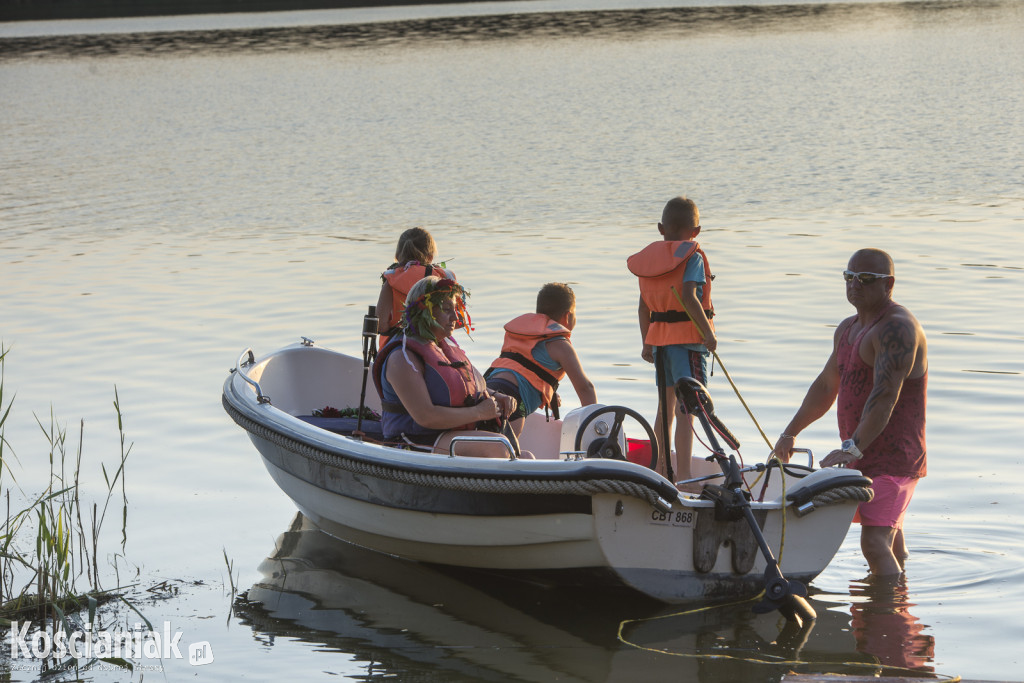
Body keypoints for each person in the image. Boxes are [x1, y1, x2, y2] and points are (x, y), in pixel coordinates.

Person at [773, 248, 928, 576]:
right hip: (861, 452)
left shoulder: (897, 329)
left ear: (889, 284)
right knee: (889, 539)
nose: (855, 284)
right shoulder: (847, 328)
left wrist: (851, 448)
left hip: (894, 457)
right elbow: (826, 386)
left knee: (874, 543)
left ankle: (886, 614)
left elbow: (885, 396)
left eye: (866, 279)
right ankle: (900, 610)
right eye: (849, 277)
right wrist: (790, 432)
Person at [372, 276, 522, 458]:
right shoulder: (402, 358)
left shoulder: (443, 346)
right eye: (446, 310)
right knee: (499, 448)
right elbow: (426, 416)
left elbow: (467, 383)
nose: (456, 317)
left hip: (447, 434)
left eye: (456, 309)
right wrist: (479, 413)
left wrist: (496, 395)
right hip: (412, 440)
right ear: (425, 311)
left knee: (526, 456)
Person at [627, 196, 717, 487]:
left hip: (661, 344)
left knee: (664, 409)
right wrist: (708, 333)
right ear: (697, 231)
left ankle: (661, 470)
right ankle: (687, 477)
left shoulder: (651, 261)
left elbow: (643, 308)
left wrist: (646, 343)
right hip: (688, 344)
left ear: (660, 228)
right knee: (687, 410)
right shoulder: (692, 257)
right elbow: (690, 296)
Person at [484, 283, 598, 438]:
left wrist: (545, 395)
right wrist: (596, 428)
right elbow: (586, 388)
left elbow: (523, 370)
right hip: (513, 403)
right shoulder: (560, 345)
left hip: (487, 390)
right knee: (504, 455)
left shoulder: (521, 335)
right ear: (568, 316)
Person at [376, 227, 456, 345]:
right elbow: (457, 321)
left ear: (397, 256)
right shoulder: (444, 278)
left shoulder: (391, 281)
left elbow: (381, 326)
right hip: (436, 346)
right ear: (430, 257)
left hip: (397, 346)